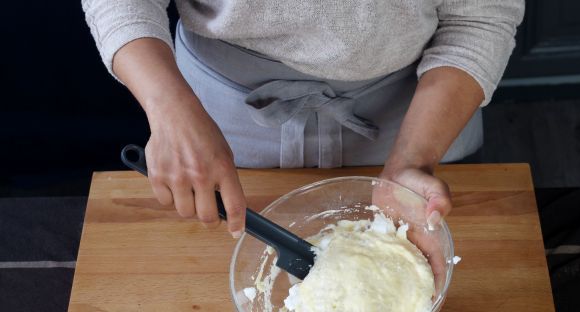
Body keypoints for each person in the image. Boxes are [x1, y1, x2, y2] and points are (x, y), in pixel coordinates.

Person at [82, 1, 524, 238]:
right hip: (215, 123)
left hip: (420, 117)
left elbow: (480, 17)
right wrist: (170, 111)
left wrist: (415, 159)